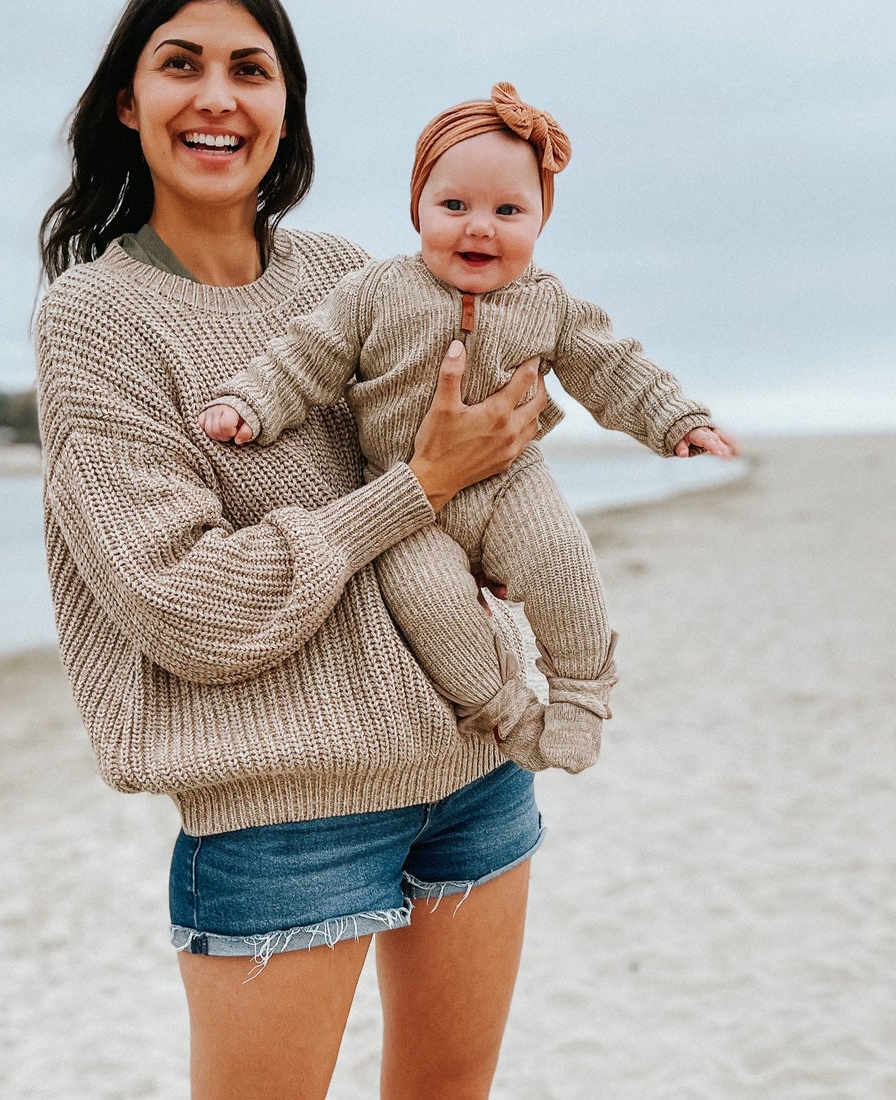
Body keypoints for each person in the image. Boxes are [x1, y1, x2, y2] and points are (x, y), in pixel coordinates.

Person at [37, 0, 559, 1100]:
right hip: (283, 808)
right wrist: (417, 486)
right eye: (182, 63)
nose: (217, 96)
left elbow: (473, 433)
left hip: (470, 763)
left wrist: (499, 442)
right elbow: (187, 603)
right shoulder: (95, 318)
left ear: (286, 104)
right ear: (127, 99)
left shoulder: (340, 271)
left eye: (249, 69)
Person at [200, 83, 735, 775]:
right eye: (453, 205)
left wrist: (675, 419)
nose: (479, 226)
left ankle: (578, 694)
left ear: (540, 221)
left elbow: (614, 370)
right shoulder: (375, 290)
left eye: (508, 210)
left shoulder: (550, 303)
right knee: (430, 608)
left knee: (562, 562)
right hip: (404, 498)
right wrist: (249, 402)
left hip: (509, 480)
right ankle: (504, 713)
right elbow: (306, 354)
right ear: (417, 206)